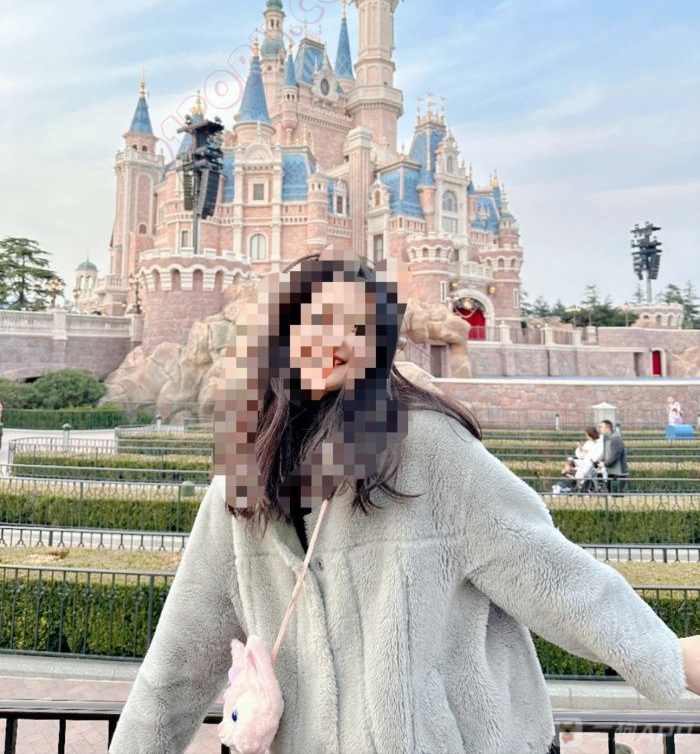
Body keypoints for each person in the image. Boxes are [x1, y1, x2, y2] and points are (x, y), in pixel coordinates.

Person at [109, 248, 700, 754]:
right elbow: (179, 660)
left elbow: (551, 575)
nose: (338, 341)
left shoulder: (426, 447)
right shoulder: (240, 482)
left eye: (360, 330)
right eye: (322, 318)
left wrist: (665, 657)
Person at [599, 419, 629, 494]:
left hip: (618, 472)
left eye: (601, 427)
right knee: (612, 494)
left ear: (607, 428)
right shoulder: (608, 438)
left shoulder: (616, 439)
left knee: (617, 495)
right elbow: (607, 453)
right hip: (612, 471)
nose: (600, 429)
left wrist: (604, 464)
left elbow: (615, 455)